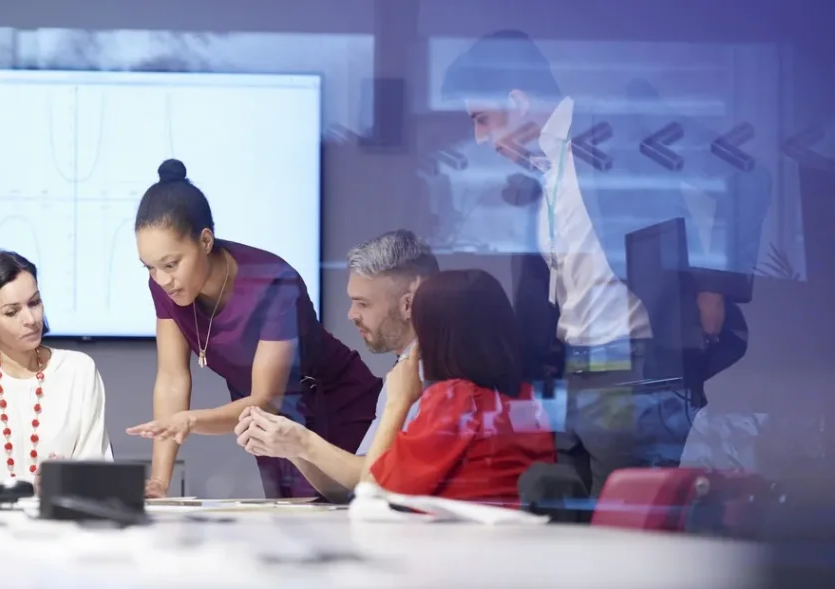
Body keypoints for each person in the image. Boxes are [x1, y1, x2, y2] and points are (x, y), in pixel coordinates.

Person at [441, 30, 761, 497]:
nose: (479, 137)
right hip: (570, 381)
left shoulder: (620, 128)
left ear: (517, 101)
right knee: (572, 532)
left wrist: (713, 287)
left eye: (482, 119)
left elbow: (742, 173)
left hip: (636, 373)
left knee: (625, 532)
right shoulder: (537, 174)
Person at [126, 159, 382, 499]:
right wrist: (160, 480)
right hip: (266, 423)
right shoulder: (164, 284)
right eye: (150, 267)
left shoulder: (272, 281)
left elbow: (266, 399)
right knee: (292, 531)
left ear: (205, 240)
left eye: (171, 264)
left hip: (334, 405)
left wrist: (190, 421)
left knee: (353, 517)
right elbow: (172, 378)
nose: (162, 280)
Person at [234, 229, 439, 501]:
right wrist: (291, 447)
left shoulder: (432, 376)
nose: (352, 314)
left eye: (362, 304)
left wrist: (303, 441)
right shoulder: (403, 373)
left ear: (407, 305)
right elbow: (352, 487)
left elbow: (373, 483)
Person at [362, 269, 555, 500]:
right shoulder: (525, 397)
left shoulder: (456, 400)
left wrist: (397, 402)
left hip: (461, 534)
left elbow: (372, 491)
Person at [0, 249, 112, 494]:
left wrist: (68, 478)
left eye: (35, 303)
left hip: (63, 524)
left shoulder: (78, 371)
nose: (30, 319)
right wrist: (28, 487)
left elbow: (96, 466)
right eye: (12, 311)